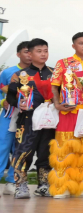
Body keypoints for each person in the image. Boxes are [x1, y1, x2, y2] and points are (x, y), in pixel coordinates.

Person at [49, 32, 83, 198]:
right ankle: (61, 187)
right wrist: (57, 104)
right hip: (68, 111)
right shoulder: (63, 63)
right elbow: (54, 86)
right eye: (81, 43)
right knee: (64, 148)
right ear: (74, 45)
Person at [6, 38, 51, 199]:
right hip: (27, 120)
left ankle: (44, 185)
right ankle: (21, 185)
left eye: (45, 50)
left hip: (49, 121)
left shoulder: (53, 73)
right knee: (23, 152)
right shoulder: (19, 75)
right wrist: (20, 103)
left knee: (47, 153)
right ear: (29, 53)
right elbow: (10, 97)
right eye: (39, 51)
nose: (43, 54)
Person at [0, 41, 32, 194]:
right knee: (2, 147)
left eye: (31, 51)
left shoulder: (37, 72)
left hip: (27, 116)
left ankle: (12, 182)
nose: (29, 55)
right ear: (18, 54)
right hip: (8, 115)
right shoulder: (8, 72)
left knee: (20, 149)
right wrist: (3, 101)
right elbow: (1, 92)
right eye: (26, 51)